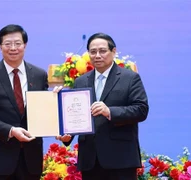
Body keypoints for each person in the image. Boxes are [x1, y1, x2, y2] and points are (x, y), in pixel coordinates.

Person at [56, 33, 149, 180]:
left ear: (113, 52)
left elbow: (141, 110)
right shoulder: (81, 81)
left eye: (102, 51)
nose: (97, 55)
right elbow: (76, 113)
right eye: (93, 52)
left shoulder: (130, 78)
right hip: (90, 160)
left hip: (121, 158)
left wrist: (109, 111)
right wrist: (67, 135)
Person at [0, 24, 49, 180]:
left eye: (18, 43)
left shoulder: (39, 74)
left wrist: (56, 103)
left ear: (25, 45)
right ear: (0, 46)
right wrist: (11, 130)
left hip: (31, 159)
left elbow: (44, 111)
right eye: (8, 44)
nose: (13, 48)